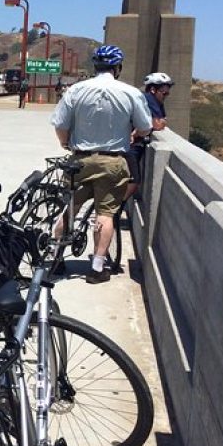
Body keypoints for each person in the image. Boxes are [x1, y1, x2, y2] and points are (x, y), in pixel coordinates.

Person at [50, 45, 152, 283]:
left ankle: (56, 260)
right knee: (105, 214)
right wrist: (131, 134)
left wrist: (66, 144)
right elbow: (145, 127)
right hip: (112, 161)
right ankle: (97, 268)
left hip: (80, 160)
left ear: (95, 67)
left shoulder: (76, 90)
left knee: (70, 209)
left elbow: (60, 125)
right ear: (117, 68)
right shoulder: (130, 93)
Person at [124, 72, 174, 199]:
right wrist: (159, 122)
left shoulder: (155, 101)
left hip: (132, 145)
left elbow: (161, 121)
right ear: (153, 89)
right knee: (134, 180)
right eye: (164, 93)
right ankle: (114, 211)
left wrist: (159, 121)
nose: (166, 96)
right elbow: (158, 123)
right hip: (131, 146)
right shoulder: (148, 99)